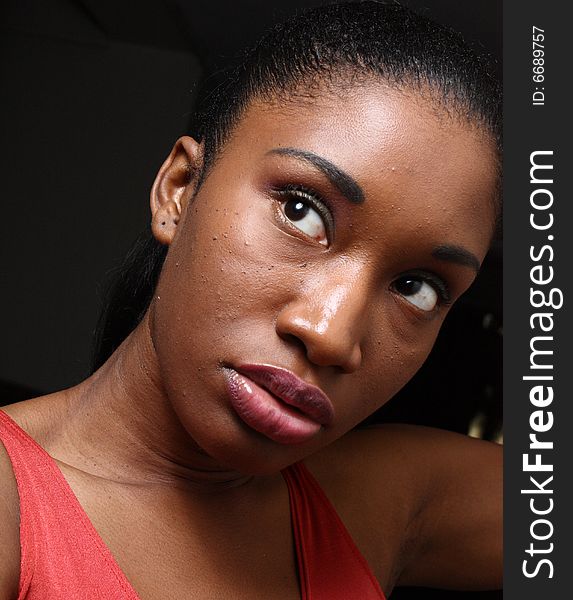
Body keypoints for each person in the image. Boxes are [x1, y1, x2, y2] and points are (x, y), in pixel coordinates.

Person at [0, 2, 502, 598]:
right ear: (180, 189)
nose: (331, 334)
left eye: (417, 287)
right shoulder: (13, 509)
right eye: (302, 211)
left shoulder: (381, 503)